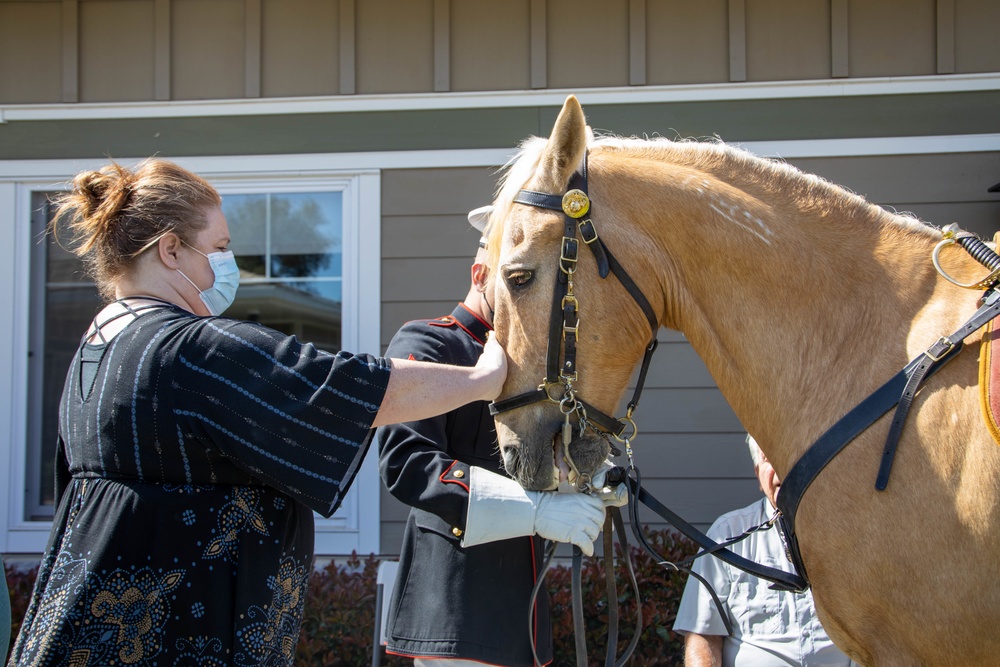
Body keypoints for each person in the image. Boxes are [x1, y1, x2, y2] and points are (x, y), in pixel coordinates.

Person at [8, 159, 507, 667]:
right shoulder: (187, 348)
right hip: (170, 641)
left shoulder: (100, 343)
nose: (228, 264)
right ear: (171, 248)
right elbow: (337, 385)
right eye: (221, 248)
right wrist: (479, 380)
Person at [376, 207, 608, 667]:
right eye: (516, 279)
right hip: (456, 607)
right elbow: (407, 465)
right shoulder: (427, 344)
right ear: (481, 273)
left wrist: (589, 471)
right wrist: (538, 511)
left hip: (523, 612)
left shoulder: (531, 363)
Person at [673, 435, 857, 667]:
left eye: (790, 456)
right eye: (769, 458)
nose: (780, 467)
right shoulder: (727, 534)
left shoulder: (851, 534)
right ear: (757, 474)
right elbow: (703, 635)